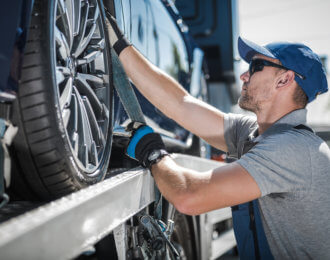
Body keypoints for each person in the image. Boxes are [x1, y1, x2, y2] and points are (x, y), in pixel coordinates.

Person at [105, 13, 330, 259]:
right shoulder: (259, 133)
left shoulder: (293, 149)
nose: (244, 75)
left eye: (255, 67)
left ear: (284, 80)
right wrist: (121, 47)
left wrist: (155, 154)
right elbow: (182, 104)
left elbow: (189, 196)